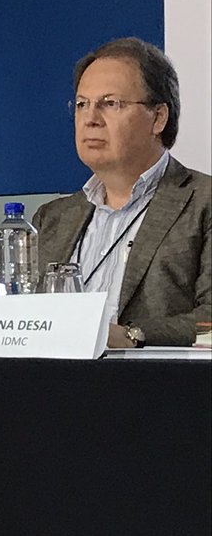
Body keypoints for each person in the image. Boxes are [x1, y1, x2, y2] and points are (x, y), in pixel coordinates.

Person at [33, 37, 211, 348]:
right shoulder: (52, 218)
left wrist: (131, 335)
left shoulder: (203, 202)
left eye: (110, 103)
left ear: (158, 117)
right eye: (82, 104)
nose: (91, 119)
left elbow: (209, 320)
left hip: (159, 377)